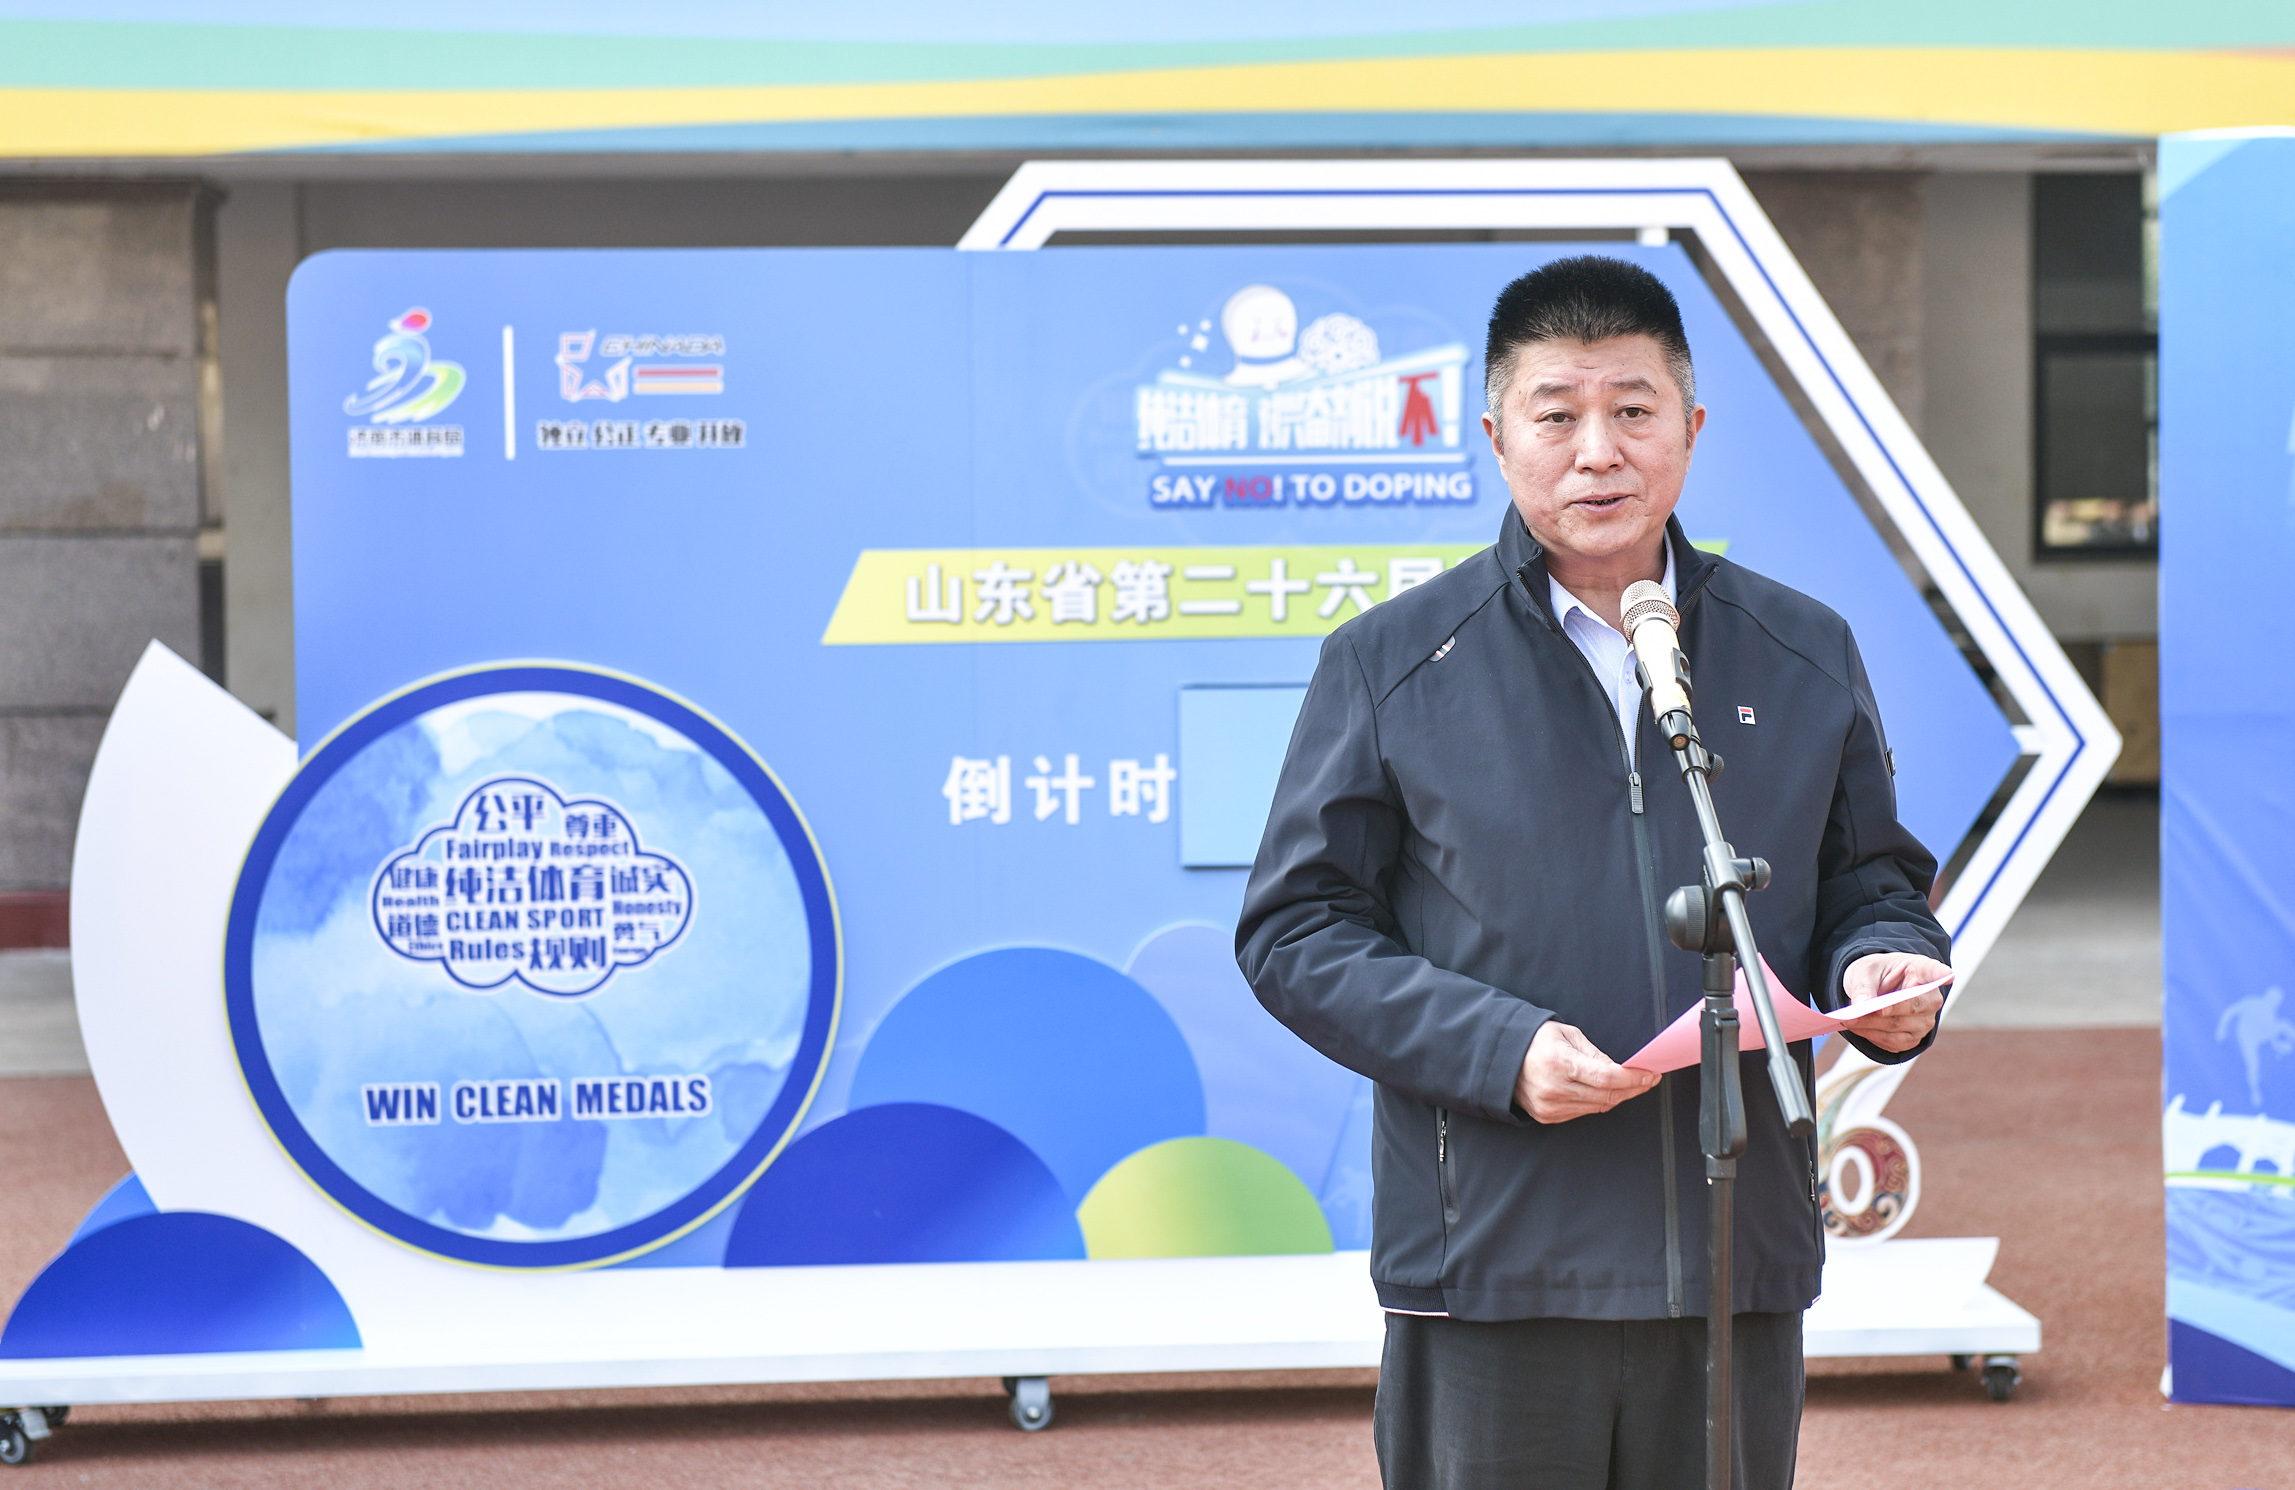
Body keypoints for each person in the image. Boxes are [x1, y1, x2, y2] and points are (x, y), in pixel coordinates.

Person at [1236, 255, 1952, 1490]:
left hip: (1733, 1254)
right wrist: (1497, 1047)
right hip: (1496, 1258)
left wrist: (1888, 964)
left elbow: (1869, 884)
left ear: (1693, 427)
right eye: (1557, 414)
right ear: (1496, 438)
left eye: (1633, 409)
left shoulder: (1800, 648)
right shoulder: (1392, 663)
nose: (1598, 452)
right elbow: (1296, 931)